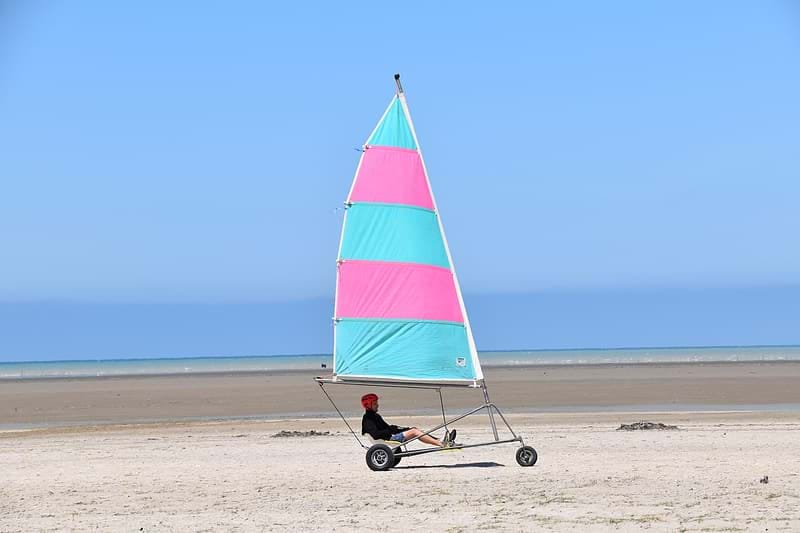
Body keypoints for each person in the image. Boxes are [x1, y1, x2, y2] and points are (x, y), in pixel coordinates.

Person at [360, 393, 456, 447]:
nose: (378, 405)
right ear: (368, 405)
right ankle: (441, 444)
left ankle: (441, 440)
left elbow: (387, 428)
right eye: (375, 404)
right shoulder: (368, 419)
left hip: (390, 435)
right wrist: (391, 431)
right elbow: (376, 434)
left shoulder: (375, 416)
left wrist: (401, 429)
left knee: (414, 429)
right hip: (389, 438)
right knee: (414, 432)